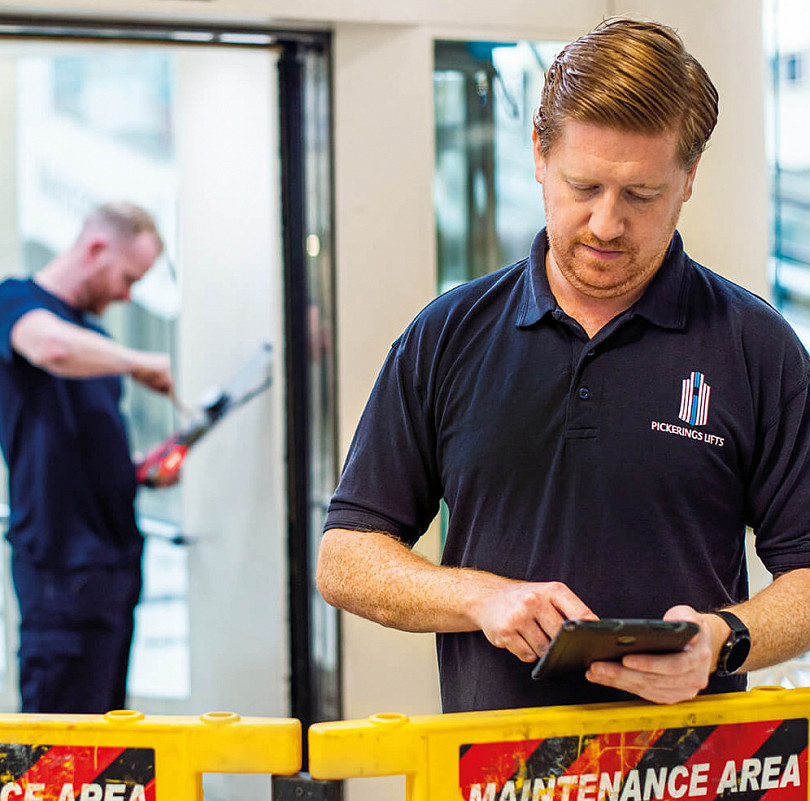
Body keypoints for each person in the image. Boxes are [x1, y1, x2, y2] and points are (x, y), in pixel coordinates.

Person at [316, 17, 810, 714]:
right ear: (540, 155)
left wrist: (723, 640)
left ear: (689, 178)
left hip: (694, 773)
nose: (607, 224)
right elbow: (346, 557)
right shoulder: (448, 335)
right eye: (584, 186)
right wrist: (481, 596)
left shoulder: (754, 346)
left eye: (641, 195)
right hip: (495, 772)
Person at [0, 202, 176, 714]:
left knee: (107, 741)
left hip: (114, 566)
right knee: (57, 749)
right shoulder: (15, 302)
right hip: (59, 566)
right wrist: (139, 363)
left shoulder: (95, 340)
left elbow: (84, 449)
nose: (126, 295)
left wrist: (138, 471)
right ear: (96, 248)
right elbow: (50, 349)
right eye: (126, 278)